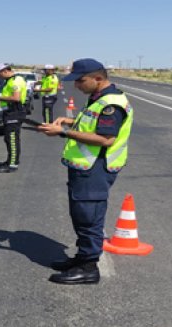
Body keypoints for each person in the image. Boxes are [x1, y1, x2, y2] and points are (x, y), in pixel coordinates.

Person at [37, 58, 133, 285]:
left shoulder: (111, 104)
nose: (77, 86)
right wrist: (69, 122)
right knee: (81, 214)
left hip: (96, 168)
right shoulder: (98, 98)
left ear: (98, 78)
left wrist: (62, 132)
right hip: (85, 167)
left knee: (89, 217)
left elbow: (105, 138)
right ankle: (81, 258)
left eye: (81, 81)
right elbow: (93, 125)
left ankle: (89, 267)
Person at [0, 63, 28, 173]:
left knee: (12, 138)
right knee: (8, 138)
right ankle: (11, 160)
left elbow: (16, 98)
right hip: (10, 112)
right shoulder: (11, 80)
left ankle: (12, 165)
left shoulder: (15, 81)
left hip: (15, 112)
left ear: (4, 71)